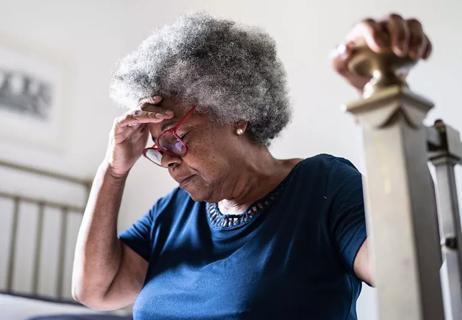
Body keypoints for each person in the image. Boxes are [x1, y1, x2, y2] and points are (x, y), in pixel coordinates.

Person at [72, 12, 432, 319]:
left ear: (235, 112)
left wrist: (383, 96)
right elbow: (96, 291)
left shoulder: (324, 185)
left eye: (174, 138)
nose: (167, 160)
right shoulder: (174, 212)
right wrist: (114, 170)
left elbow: (405, 265)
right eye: (156, 148)